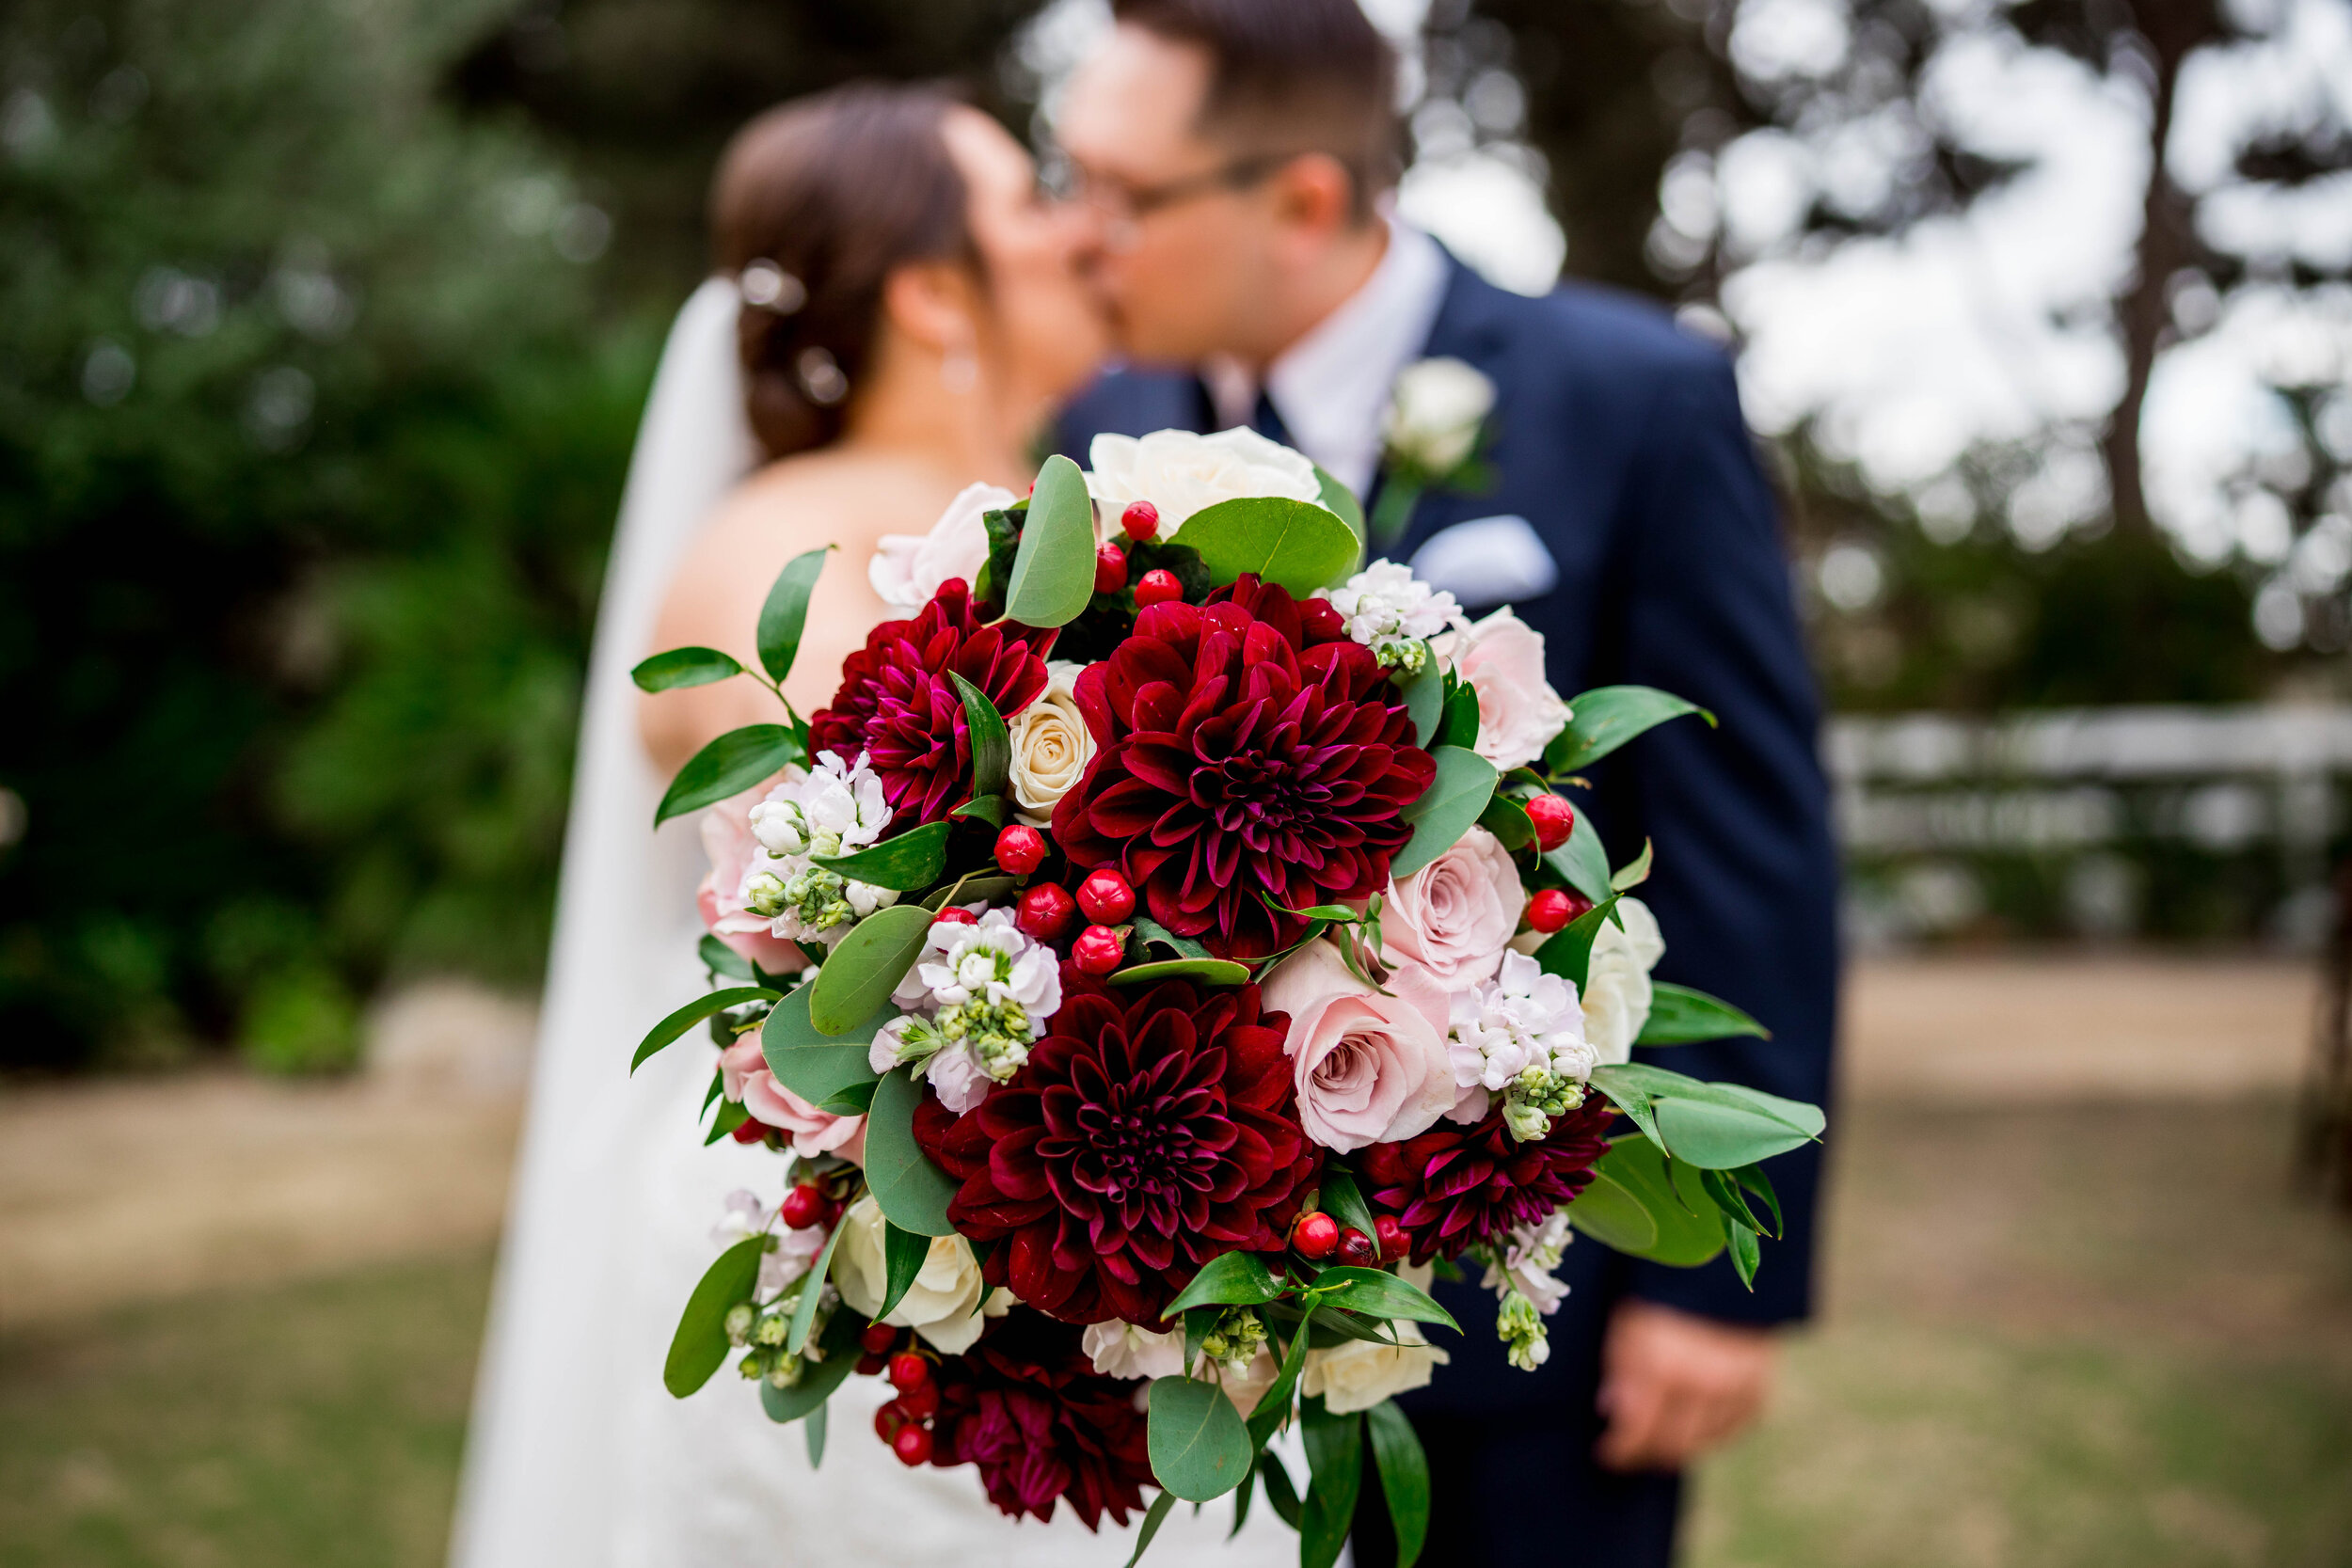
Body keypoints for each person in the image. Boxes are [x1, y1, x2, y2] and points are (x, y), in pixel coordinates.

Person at [451, 83, 1296, 1567]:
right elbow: (894, 885)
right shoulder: (783, 541)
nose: (1078, 235)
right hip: (868, 1245)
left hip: (1086, 1211)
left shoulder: (1075, 519)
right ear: (928, 293)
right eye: (1026, 204)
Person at [1051, 4, 1841, 1564]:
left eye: (1123, 195)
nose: (1080, 241)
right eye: (1069, 181)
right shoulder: (1096, 434)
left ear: (1304, 200)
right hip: (1193, 1322)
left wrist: (1707, 1285)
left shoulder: (1633, 395)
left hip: (1533, 1297)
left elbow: (1751, 840)